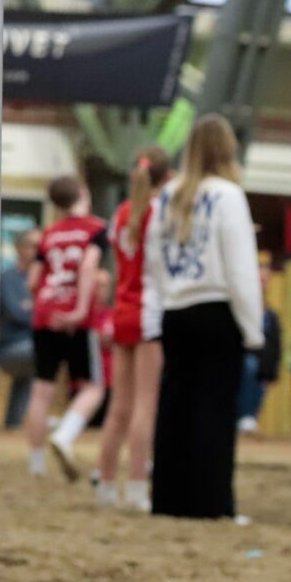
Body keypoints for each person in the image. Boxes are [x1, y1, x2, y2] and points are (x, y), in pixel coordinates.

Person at [141, 114, 262, 521]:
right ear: (228, 150)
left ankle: (169, 501)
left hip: (176, 312)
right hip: (216, 311)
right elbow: (241, 268)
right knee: (215, 409)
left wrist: (165, 300)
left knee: (174, 407)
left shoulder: (167, 196)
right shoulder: (228, 195)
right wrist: (252, 327)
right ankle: (212, 504)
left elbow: (153, 259)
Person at [96, 147, 172, 510]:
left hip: (122, 309)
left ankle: (106, 485)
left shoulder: (121, 214)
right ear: (167, 177)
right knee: (146, 405)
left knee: (120, 406)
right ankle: (139, 487)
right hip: (149, 312)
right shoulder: (159, 213)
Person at [27, 175, 107, 479]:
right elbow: (88, 266)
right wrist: (80, 309)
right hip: (75, 315)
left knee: (42, 389)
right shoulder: (96, 228)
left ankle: (36, 463)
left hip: (45, 313)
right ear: (84, 193)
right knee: (93, 386)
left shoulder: (48, 234)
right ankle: (65, 435)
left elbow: (34, 280)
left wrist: (47, 302)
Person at [0, 229, 40, 430]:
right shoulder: (7, 278)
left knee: (27, 377)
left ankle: (13, 423)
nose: (38, 250)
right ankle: (38, 421)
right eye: (32, 245)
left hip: (30, 342)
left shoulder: (43, 278)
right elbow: (16, 312)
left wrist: (31, 307)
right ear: (19, 248)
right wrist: (41, 311)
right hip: (9, 346)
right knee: (44, 356)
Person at [239, 253, 281, 433]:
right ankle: (244, 416)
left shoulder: (271, 315)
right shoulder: (240, 307)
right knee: (249, 366)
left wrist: (271, 374)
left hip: (262, 371)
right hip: (243, 366)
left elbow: (275, 347)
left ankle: (249, 418)